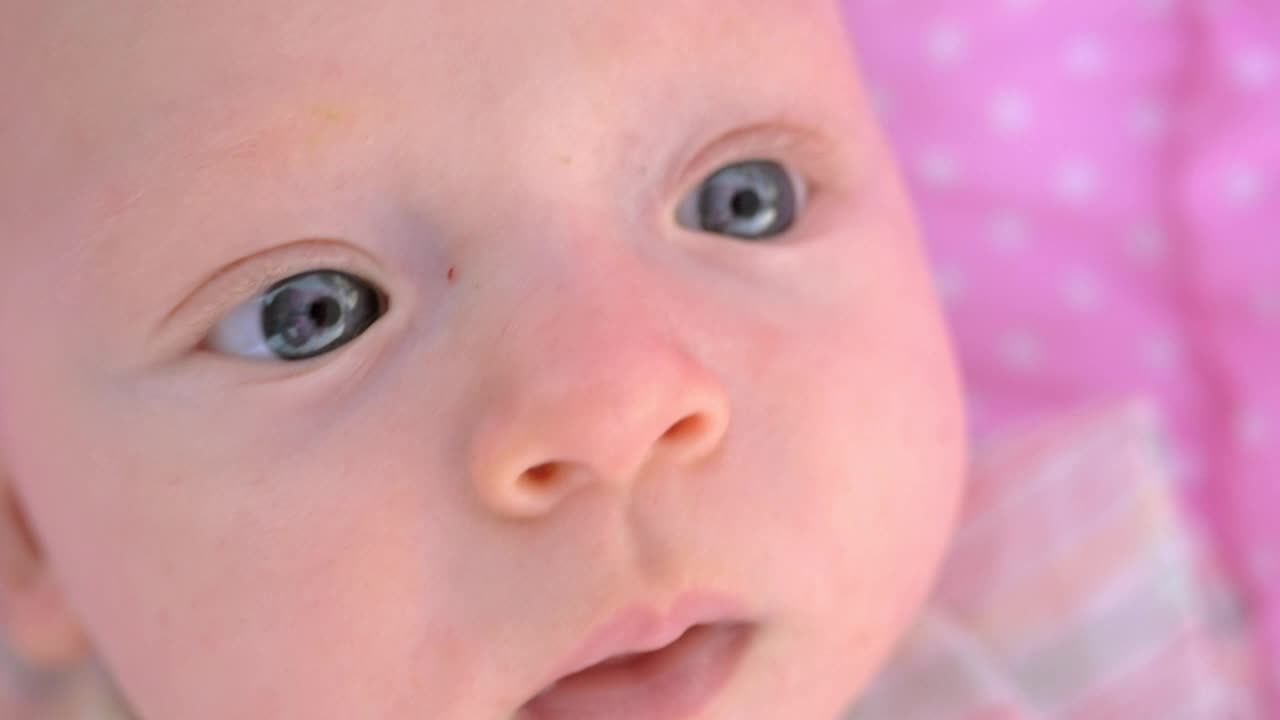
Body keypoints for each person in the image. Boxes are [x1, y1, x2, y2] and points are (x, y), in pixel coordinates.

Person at [0, 1, 967, 717]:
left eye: (742, 198)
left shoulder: (1092, 619)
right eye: (311, 315)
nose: (617, 411)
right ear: (25, 529)